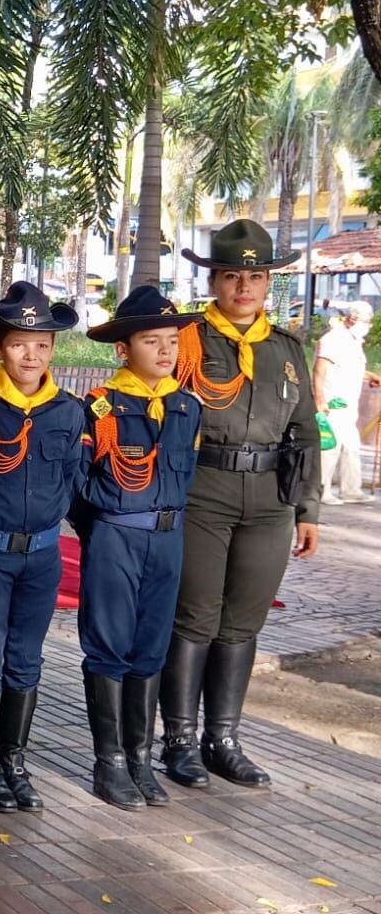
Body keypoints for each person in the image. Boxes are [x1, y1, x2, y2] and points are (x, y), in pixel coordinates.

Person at [163, 220, 321, 791]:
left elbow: (303, 431)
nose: (244, 287)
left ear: (267, 284)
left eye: (255, 277)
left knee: (244, 619)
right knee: (196, 614)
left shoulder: (285, 349)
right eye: (233, 276)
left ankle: (222, 738)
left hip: (271, 499)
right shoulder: (186, 340)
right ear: (216, 281)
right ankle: (178, 739)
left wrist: (309, 510)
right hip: (204, 490)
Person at [0, 283, 84, 813]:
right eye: (18, 343)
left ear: (54, 350)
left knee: (27, 659)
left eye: (41, 344)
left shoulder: (70, 411)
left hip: (42, 554)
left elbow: (75, 485)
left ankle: (15, 760)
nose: (30, 355)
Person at [77, 287, 202, 810]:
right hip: (117, 534)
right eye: (152, 341)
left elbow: (187, 476)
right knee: (109, 646)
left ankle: (139, 758)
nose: (166, 351)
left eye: (172, 341)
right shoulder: (101, 407)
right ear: (124, 349)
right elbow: (79, 486)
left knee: (151, 647)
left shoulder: (187, 406)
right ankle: (108, 764)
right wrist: (107, 532)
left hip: (168, 536)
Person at [315, 302, 379, 503]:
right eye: (365, 321)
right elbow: (319, 370)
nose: (367, 325)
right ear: (352, 319)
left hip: (348, 405)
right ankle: (321, 491)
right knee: (329, 448)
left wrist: (370, 376)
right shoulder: (334, 339)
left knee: (351, 447)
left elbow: (350, 369)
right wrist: (319, 400)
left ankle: (351, 490)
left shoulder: (353, 341)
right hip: (332, 403)